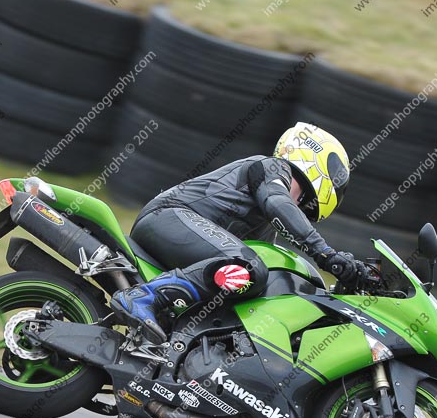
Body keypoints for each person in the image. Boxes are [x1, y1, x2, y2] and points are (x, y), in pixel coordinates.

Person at [111, 122, 368, 343]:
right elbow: (278, 203)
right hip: (168, 217)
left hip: (180, 238)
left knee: (255, 280)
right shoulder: (271, 168)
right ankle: (143, 297)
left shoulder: (267, 227)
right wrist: (325, 253)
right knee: (250, 268)